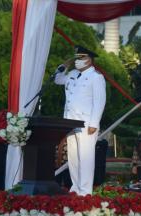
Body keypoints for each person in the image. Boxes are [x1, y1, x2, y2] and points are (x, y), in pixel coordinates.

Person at [54, 45, 106, 196]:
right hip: (70, 122)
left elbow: (99, 101)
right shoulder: (72, 74)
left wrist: (94, 124)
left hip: (86, 124)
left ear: (89, 60)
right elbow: (57, 80)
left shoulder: (96, 77)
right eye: (76, 58)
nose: (78, 61)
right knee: (73, 157)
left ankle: (85, 191)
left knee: (85, 157)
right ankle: (75, 188)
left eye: (81, 58)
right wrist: (64, 65)